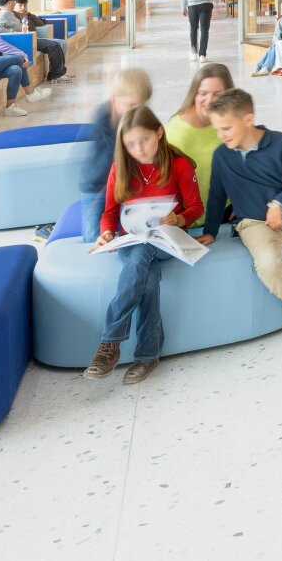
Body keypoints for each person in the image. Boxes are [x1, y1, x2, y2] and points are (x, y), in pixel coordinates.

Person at [196, 88, 282, 333]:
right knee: (267, 264)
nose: (220, 135)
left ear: (248, 120)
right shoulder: (222, 156)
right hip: (252, 221)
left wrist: (278, 204)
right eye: (216, 129)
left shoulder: (280, 142)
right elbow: (217, 195)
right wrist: (210, 230)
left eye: (226, 128)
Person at [81, 104, 203, 384]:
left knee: (142, 258)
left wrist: (179, 218)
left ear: (159, 133)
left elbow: (196, 207)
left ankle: (109, 344)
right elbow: (110, 213)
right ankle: (148, 355)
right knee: (145, 273)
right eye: (131, 143)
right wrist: (106, 233)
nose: (139, 148)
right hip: (132, 240)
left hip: (167, 242)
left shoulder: (179, 165)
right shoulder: (120, 168)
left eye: (145, 139)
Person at [74, 70, 155, 243]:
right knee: (93, 235)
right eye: (131, 105)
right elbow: (110, 159)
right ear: (114, 98)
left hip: (124, 185)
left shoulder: (137, 118)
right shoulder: (103, 120)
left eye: (141, 107)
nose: (136, 112)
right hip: (97, 189)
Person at [164, 64, 229, 200]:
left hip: (227, 210)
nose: (210, 100)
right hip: (191, 216)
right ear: (194, 95)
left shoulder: (231, 121)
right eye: (203, 93)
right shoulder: (175, 133)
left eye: (217, 94)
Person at [0, 0, 68, 84]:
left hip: (27, 38)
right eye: (14, 1)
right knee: (54, 46)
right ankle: (56, 75)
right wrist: (14, 33)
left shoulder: (9, 13)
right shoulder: (4, 14)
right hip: (23, 40)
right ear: (10, 2)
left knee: (56, 44)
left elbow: (39, 23)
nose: (15, 3)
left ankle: (57, 74)